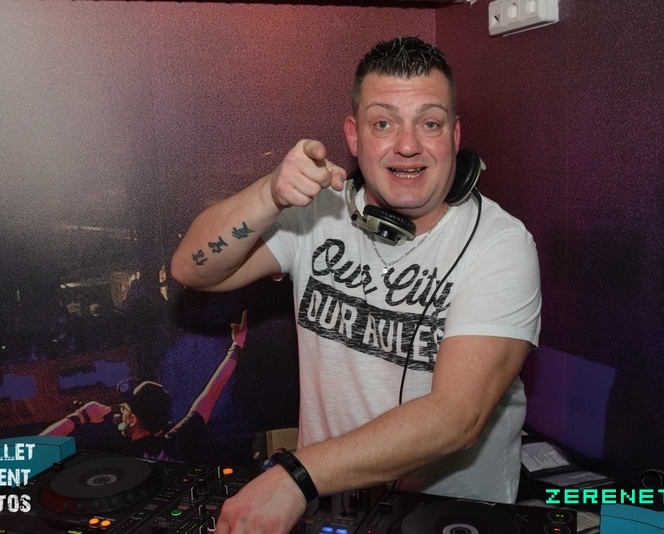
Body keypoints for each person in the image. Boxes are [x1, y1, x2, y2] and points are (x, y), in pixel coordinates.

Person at [170, 37, 541, 534]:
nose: (407, 145)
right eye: (383, 123)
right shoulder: (316, 215)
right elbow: (192, 269)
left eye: (429, 123)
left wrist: (295, 478)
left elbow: (457, 416)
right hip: (331, 509)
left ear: (454, 136)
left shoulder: (500, 244)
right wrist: (269, 193)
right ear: (353, 135)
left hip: (450, 519)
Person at [42, 310, 249, 462]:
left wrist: (81, 416)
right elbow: (210, 396)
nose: (120, 411)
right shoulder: (178, 443)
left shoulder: (113, 453)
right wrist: (236, 347)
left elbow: (35, 452)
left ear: (132, 419)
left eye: (125, 409)